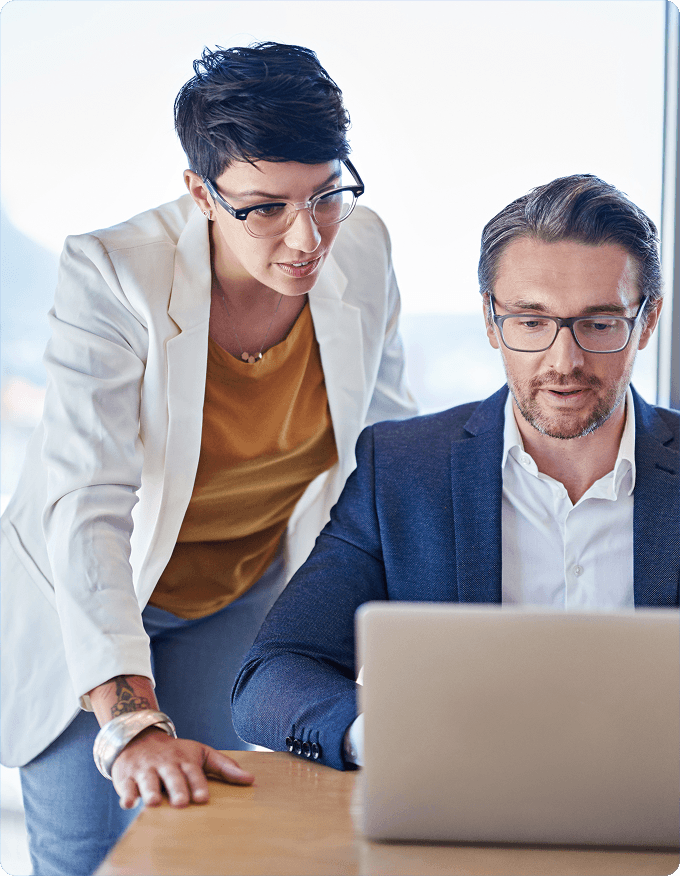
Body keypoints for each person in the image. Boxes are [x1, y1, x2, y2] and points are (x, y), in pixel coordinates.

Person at [0, 42, 416, 875]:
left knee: (212, 846)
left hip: (237, 596)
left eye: (326, 192)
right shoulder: (114, 273)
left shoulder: (360, 247)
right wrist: (133, 723)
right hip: (88, 599)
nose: (306, 238)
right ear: (201, 193)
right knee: (88, 856)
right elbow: (89, 504)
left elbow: (387, 456)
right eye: (264, 207)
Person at [232, 173, 679, 771]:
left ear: (646, 322)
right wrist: (388, 738)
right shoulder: (403, 471)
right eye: (531, 321)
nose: (564, 361)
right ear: (492, 324)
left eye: (599, 324)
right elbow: (273, 675)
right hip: (456, 824)